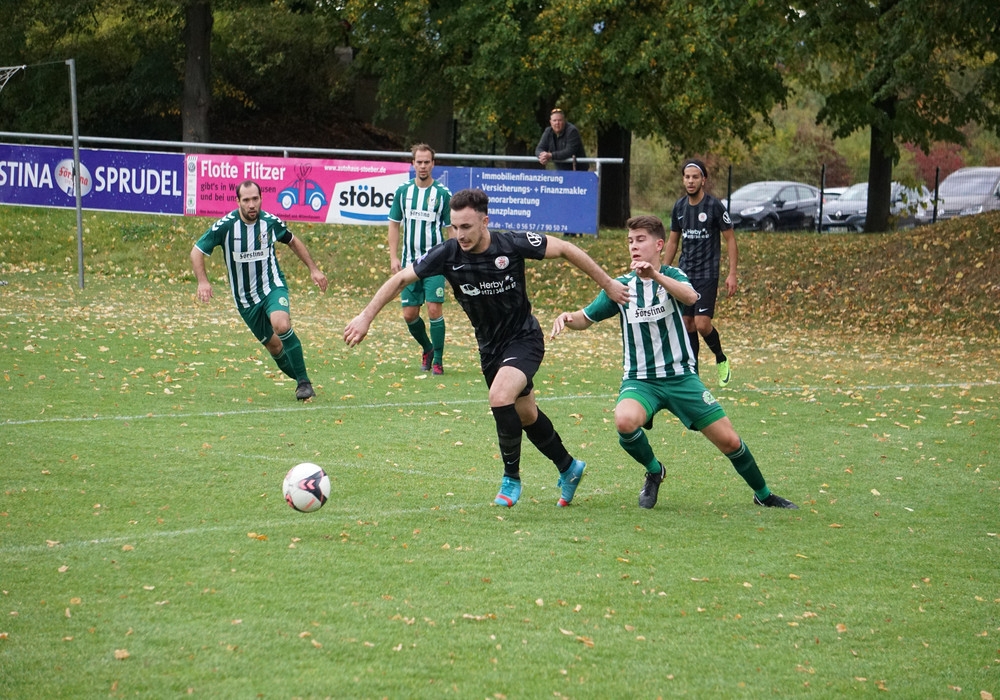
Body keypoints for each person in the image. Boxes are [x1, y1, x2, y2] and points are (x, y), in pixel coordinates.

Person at [345, 188, 630, 507]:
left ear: (485, 221)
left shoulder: (511, 244)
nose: (460, 234)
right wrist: (365, 316)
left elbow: (564, 248)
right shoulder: (448, 254)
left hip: (524, 338)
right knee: (526, 415)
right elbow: (400, 280)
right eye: (455, 227)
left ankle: (511, 479)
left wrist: (608, 284)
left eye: (466, 226)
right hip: (490, 348)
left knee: (500, 396)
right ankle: (568, 467)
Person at [551, 215, 796, 511]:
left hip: (681, 378)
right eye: (630, 241)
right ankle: (655, 471)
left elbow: (690, 297)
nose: (633, 246)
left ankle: (764, 495)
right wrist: (568, 318)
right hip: (641, 380)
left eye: (640, 240)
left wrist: (655, 275)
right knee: (624, 421)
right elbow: (586, 318)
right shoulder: (621, 287)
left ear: (659, 245)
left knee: (730, 442)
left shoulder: (673, 276)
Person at [190, 180, 328, 401]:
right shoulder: (225, 226)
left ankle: (303, 383)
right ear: (238, 202)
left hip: (272, 287)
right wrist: (203, 281)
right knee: (275, 346)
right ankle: (303, 381)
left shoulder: (270, 222)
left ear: (261, 198)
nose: (252, 204)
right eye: (246, 200)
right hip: (245, 300)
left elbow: (293, 241)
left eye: (255, 199)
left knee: (281, 324)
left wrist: (314, 269)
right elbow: (197, 251)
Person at [663, 158, 737, 388]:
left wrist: (732, 273)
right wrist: (662, 273)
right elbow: (673, 242)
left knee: (702, 324)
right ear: (683, 180)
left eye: (695, 177)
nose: (691, 181)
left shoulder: (714, 206)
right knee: (687, 324)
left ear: (703, 180)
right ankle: (693, 375)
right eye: (687, 177)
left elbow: (730, 239)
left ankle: (721, 358)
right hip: (685, 274)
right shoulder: (679, 207)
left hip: (707, 274)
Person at [387, 144, 452, 374]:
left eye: (427, 162)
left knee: (434, 310)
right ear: (413, 164)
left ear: (433, 164)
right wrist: (393, 256)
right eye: (419, 162)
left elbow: (451, 229)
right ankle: (428, 348)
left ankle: (438, 361)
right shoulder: (403, 192)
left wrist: (453, 260)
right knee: (409, 314)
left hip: (435, 263)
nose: (423, 166)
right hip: (409, 264)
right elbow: (394, 225)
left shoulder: (443, 194)